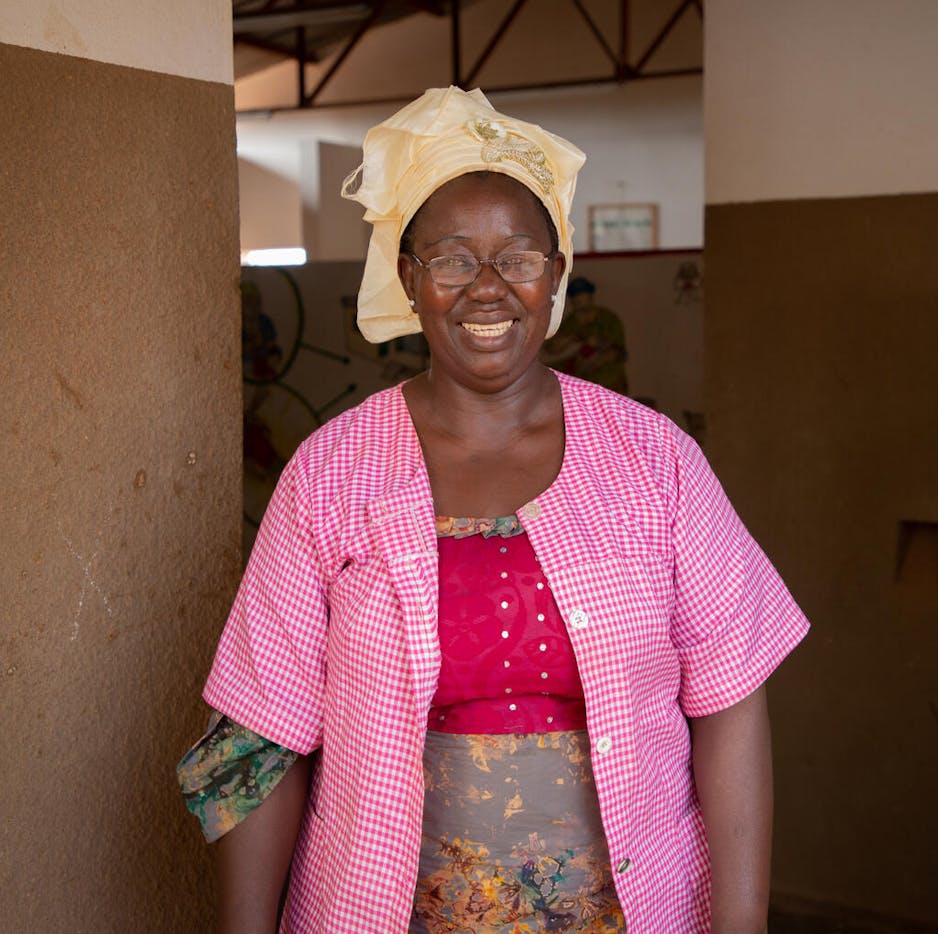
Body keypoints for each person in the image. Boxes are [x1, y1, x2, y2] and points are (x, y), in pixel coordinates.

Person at [178, 87, 809, 933]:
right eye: (451, 259)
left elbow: (730, 699)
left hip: (635, 911)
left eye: (518, 257)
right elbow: (262, 734)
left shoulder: (654, 460)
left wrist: (742, 923)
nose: (487, 288)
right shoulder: (331, 473)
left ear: (556, 274)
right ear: (410, 279)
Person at [541, 276, 629, 394]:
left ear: (590, 297)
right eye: (576, 303)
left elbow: (618, 353)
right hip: (580, 388)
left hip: (609, 384)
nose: (580, 307)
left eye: (583, 302)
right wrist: (574, 340)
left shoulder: (608, 319)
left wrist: (597, 348)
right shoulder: (571, 322)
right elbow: (553, 349)